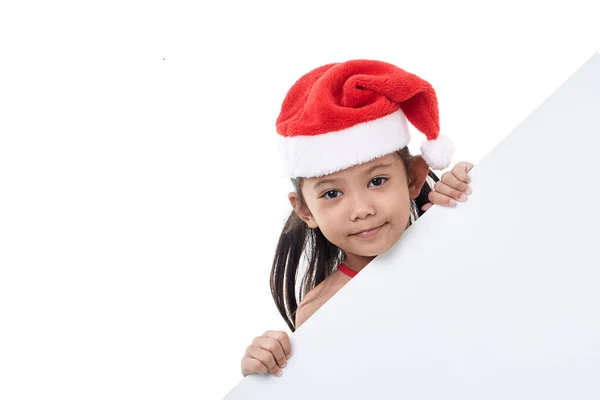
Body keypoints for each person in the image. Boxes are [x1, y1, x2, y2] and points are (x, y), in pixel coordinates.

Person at [241, 60, 474, 378]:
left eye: (377, 181)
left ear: (413, 179)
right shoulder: (321, 309)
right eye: (332, 194)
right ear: (306, 210)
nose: (361, 209)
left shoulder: (452, 229)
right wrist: (267, 373)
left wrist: (469, 200)